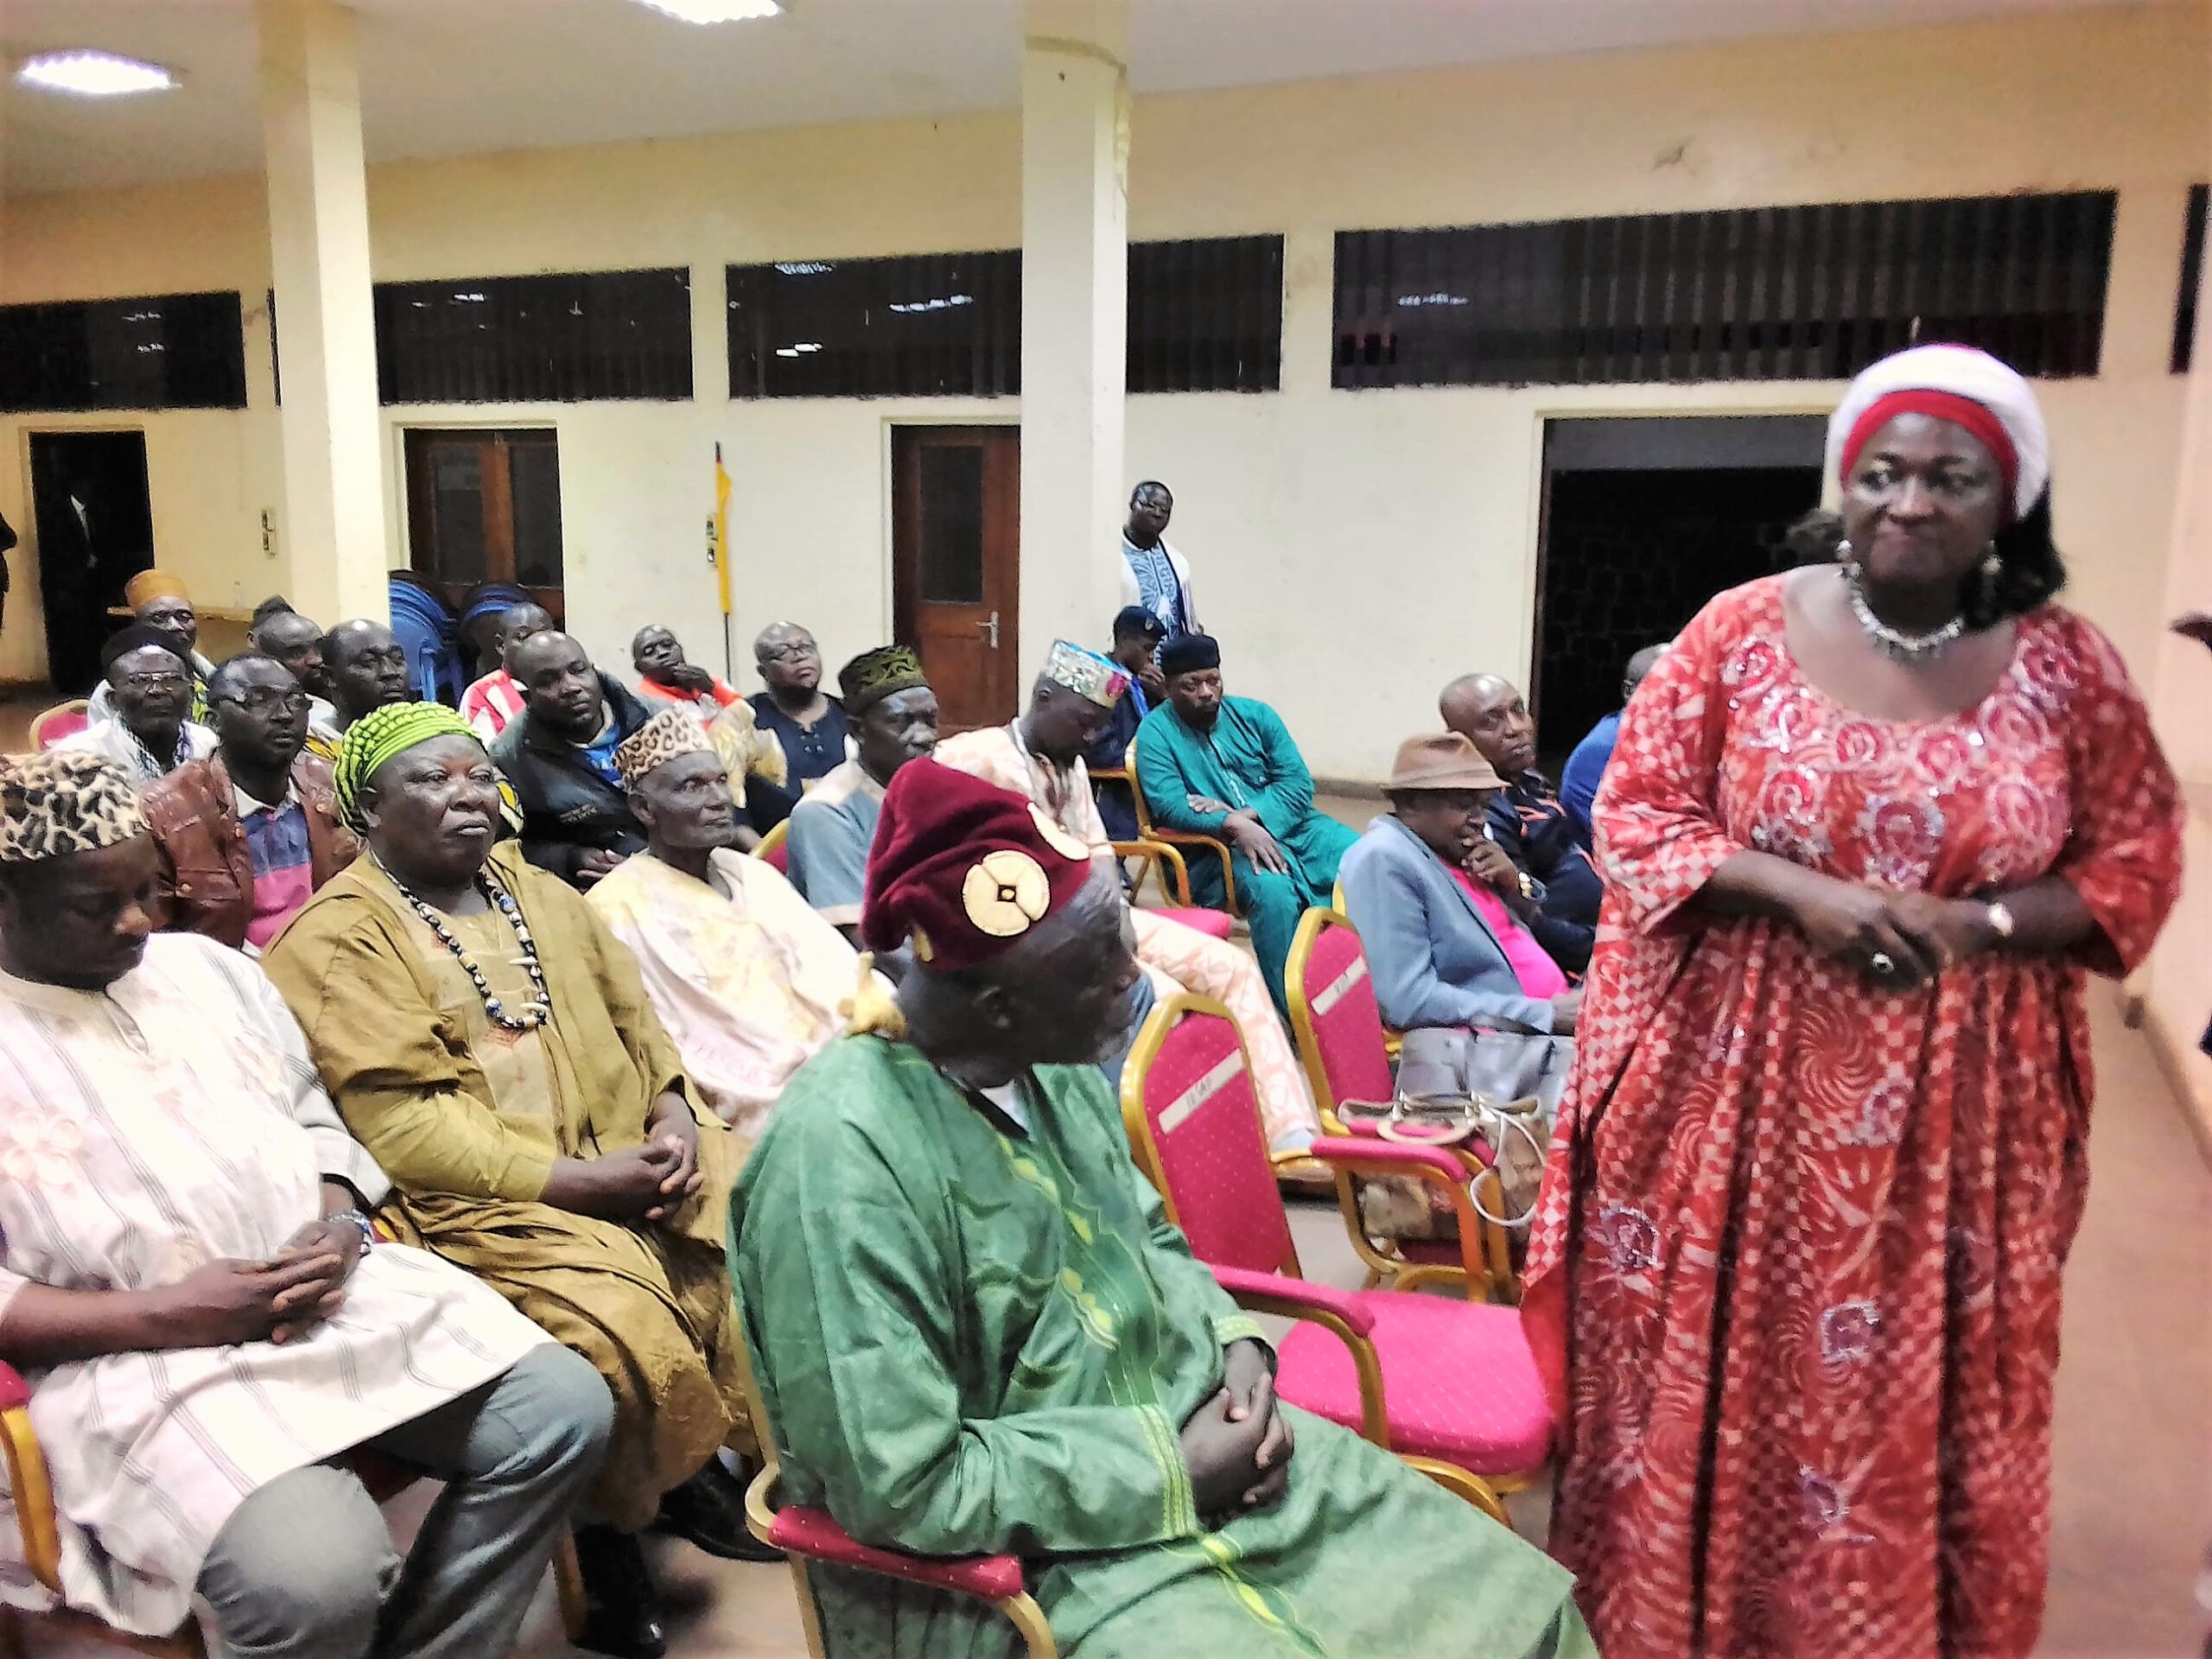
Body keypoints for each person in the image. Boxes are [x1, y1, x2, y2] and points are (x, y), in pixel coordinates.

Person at [1524, 343, 2184, 1659]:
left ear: (2010, 503)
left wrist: (1980, 919)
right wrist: (1801, 895)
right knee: (1721, 1368)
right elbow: (1642, 815)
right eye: (1882, 472)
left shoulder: (2068, 667)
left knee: (1907, 1387)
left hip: (1959, 1113)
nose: (1910, 502)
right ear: (1844, 485)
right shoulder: (1737, 632)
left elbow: (2135, 858)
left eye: (1952, 477)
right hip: (1738, 1088)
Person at [734, 759, 1594, 1659]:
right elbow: (900, 1484)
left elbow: (1148, 1238)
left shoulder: (1044, 1065)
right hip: (1039, 1563)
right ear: (994, 1007)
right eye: (1096, 973)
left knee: (1515, 1609)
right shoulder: (838, 1167)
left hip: (1213, 1453)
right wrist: (1170, 1471)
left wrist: (1239, 1350)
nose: (1132, 982)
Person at [0, 750, 612, 1659]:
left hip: (333, 1303)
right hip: (139, 1368)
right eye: (99, 906)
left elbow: (314, 1118)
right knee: (314, 1579)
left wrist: (339, 1225)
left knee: (563, 1410)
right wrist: (173, 1314)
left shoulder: (212, 973)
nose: (138, 923)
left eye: (150, 893)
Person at [263, 703, 765, 1659]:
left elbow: (639, 1023)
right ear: (368, 808)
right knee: (618, 1320)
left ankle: (700, 1471)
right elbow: (400, 1128)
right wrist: (582, 1184)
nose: (468, 797)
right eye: (432, 781)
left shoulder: (541, 895)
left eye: (474, 775)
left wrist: (669, 1118)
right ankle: (612, 1536)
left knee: (765, 1220)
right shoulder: (334, 940)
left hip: (624, 1153)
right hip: (481, 1207)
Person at [936, 641, 1325, 1153]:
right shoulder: (970, 758)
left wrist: (1116, 932)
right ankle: (1194, 1153)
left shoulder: (1068, 762)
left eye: (1101, 725)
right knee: (1168, 999)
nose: (1094, 738)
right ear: (1044, 698)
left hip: (1097, 918)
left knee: (1231, 968)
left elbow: (1097, 858)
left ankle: (1289, 1139)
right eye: (1084, 723)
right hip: (1025, 936)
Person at [587, 707, 871, 1157]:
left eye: (720, 781)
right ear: (644, 808)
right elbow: (679, 1038)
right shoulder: (616, 907)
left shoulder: (748, 871)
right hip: (747, 1091)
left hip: (833, 1056)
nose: (719, 798)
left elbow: (834, 970)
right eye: (691, 787)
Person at [1132, 632, 1357, 1014]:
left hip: (1295, 828)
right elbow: (1170, 806)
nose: (1206, 692)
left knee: (1362, 860)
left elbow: (1297, 782)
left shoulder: (1257, 716)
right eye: (1191, 685)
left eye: (1213, 680)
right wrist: (1232, 827)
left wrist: (1247, 815)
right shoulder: (1155, 734)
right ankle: (1294, 1013)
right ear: (1168, 687)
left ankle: (1362, 992)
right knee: (1274, 893)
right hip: (1216, 852)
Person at [1338, 733, 1578, 1079]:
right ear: (1412, 804)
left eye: (1482, 805)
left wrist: (1514, 884)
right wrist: (1543, 1014)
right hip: (1482, 1051)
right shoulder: (1385, 860)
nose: (1479, 818)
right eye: (1463, 805)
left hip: (1537, 1020)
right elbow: (1409, 1001)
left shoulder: (1461, 846)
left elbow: (1526, 923)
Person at [140, 654, 359, 952]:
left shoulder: (329, 783)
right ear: (213, 720)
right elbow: (157, 945)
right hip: (227, 982)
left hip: (330, 962)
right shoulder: (164, 812)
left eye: (296, 700)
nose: (284, 715)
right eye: (259, 700)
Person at [1440, 673, 1604, 975]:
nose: (1515, 729)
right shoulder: (1482, 815)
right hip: (1575, 961)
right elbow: (1525, 920)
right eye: (1491, 722)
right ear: (1458, 739)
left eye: (1518, 710)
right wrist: (1600, 950)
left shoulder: (1527, 779)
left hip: (1602, 930)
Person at [784, 645, 938, 944]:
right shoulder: (826, 813)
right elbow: (866, 944)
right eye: (902, 722)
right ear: (858, 731)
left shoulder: (938, 787)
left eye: (930, 719)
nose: (925, 736)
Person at [492, 630, 658, 888]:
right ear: (528, 697)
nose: (570, 687)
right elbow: (509, 848)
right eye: (548, 681)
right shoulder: (512, 758)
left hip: (681, 866)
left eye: (578, 670)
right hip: (604, 889)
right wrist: (570, 859)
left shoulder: (656, 717)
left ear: (594, 671)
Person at [59, 627, 218, 788]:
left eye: (170, 679)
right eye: (139, 681)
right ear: (112, 700)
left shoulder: (209, 745)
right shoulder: (78, 757)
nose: (157, 690)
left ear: (191, 694)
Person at [1558, 643, 1667, 842]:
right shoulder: (1600, 751)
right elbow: (1621, 839)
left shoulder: (1672, 741)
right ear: (1629, 691)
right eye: (1663, 689)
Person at [746, 622, 850, 807]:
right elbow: (736, 804)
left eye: (807, 647)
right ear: (763, 671)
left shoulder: (850, 714)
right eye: (783, 652)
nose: (800, 657)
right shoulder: (746, 719)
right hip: (772, 833)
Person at [86, 584, 214, 726]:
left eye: (184, 617)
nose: (175, 626)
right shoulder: (115, 688)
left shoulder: (210, 675)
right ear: (139, 626)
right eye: (159, 618)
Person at [1092, 604, 1168, 840]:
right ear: (1124, 640)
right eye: (1147, 648)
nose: (1151, 657)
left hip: (1145, 771)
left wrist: (1163, 695)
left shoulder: (1144, 683)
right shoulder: (1102, 679)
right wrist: (1147, 765)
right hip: (1116, 778)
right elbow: (1099, 749)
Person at [248, 604, 344, 750]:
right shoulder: (254, 716)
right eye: (297, 653)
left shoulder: (341, 700)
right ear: (265, 659)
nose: (316, 660)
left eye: (319, 649)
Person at [458, 602, 553, 742]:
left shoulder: (571, 681)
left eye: (545, 635)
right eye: (523, 637)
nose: (537, 644)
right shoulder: (483, 694)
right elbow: (492, 757)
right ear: (501, 645)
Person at [1120, 480, 1200, 640]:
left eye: (1164, 510)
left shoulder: (1177, 562)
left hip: (1170, 661)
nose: (1157, 513)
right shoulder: (1109, 554)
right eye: (1150, 505)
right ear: (1132, 505)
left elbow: (1190, 624)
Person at [321, 619, 414, 734]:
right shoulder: (314, 745)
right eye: (368, 661)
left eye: (397, 658)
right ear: (330, 677)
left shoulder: (433, 735)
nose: (390, 672)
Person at [632, 626, 742, 712]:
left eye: (667, 644)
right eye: (649, 652)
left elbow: (747, 717)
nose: (663, 653)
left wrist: (712, 689)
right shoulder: (642, 703)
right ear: (639, 668)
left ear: (680, 649)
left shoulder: (711, 682)